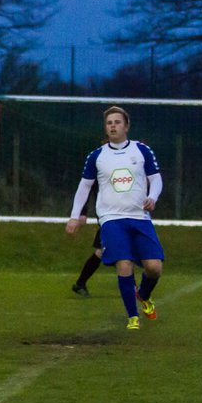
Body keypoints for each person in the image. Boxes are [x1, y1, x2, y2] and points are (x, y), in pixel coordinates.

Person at [64, 105, 163, 329]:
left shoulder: (142, 150)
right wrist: (74, 216)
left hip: (140, 217)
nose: (113, 126)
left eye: (117, 122)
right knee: (124, 263)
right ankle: (133, 317)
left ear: (126, 126)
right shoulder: (97, 156)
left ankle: (144, 295)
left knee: (154, 267)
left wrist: (153, 197)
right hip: (111, 219)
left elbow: (156, 179)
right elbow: (84, 187)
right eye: (109, 123)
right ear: (105, 128)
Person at [71, 224, 102, 297]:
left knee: (100, 253)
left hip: (118, 223)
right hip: (112, 223)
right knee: (101, 253)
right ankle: (80, 284)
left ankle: (80, 283)